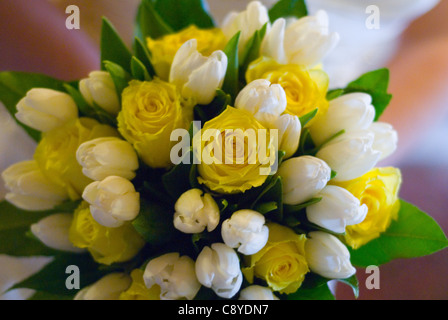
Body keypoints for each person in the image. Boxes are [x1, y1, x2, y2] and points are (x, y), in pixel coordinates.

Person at [0, 0, 446, 300]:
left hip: (346, 117)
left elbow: (436, 33)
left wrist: (354, 152)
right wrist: (106, 111)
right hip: (73, 90)